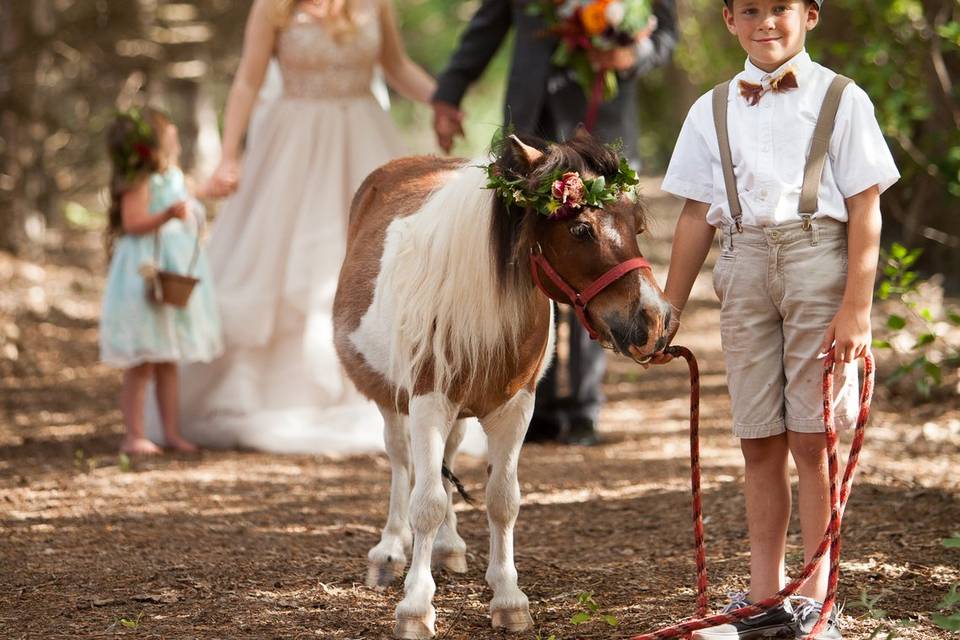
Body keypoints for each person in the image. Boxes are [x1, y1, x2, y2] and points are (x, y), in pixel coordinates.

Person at [653, 0, 899, 637]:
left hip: (818, 262)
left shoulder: (842, 99)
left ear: (810, 16)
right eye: (752, 10)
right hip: (743, 265)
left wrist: (857, 309)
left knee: (812, 439)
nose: (768, 22)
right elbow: (692, 214)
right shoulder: (711, 108)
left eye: (781, 9)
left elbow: (866, 207)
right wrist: (669, 309)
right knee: (758, 436)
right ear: (729, 18)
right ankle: (768, 596)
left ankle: (814, 596)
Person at [153, 0, 439, 454]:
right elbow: (248, 79)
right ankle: (269, 391)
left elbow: (398, 66)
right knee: (275, 257)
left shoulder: (373, 4)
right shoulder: (273, 7)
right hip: (292, 145)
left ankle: (376, 383)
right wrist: (229, 156)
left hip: (363, 137)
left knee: (370, 256)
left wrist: (445, 101)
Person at [432, 0, 678, 445]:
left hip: (599, 131)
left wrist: (630, 55)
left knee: (597, 255)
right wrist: (449, 92)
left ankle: (583, 408)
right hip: (529, 131)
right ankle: (532, 400)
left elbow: (666, 36)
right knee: (526, 263)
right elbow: (488, 25)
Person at [100, 108, 223, 456]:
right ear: (149, 146)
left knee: (168, 360)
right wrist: (167, 215)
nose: (175, 141)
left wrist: (208, 192)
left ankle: (171, 431)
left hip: (172, 271)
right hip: (145, 272)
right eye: (169, 137)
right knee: (142, 362)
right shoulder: (139, 181)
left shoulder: (173, 176)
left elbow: (192, 196)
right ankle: (134, 434)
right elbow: (133, 221)